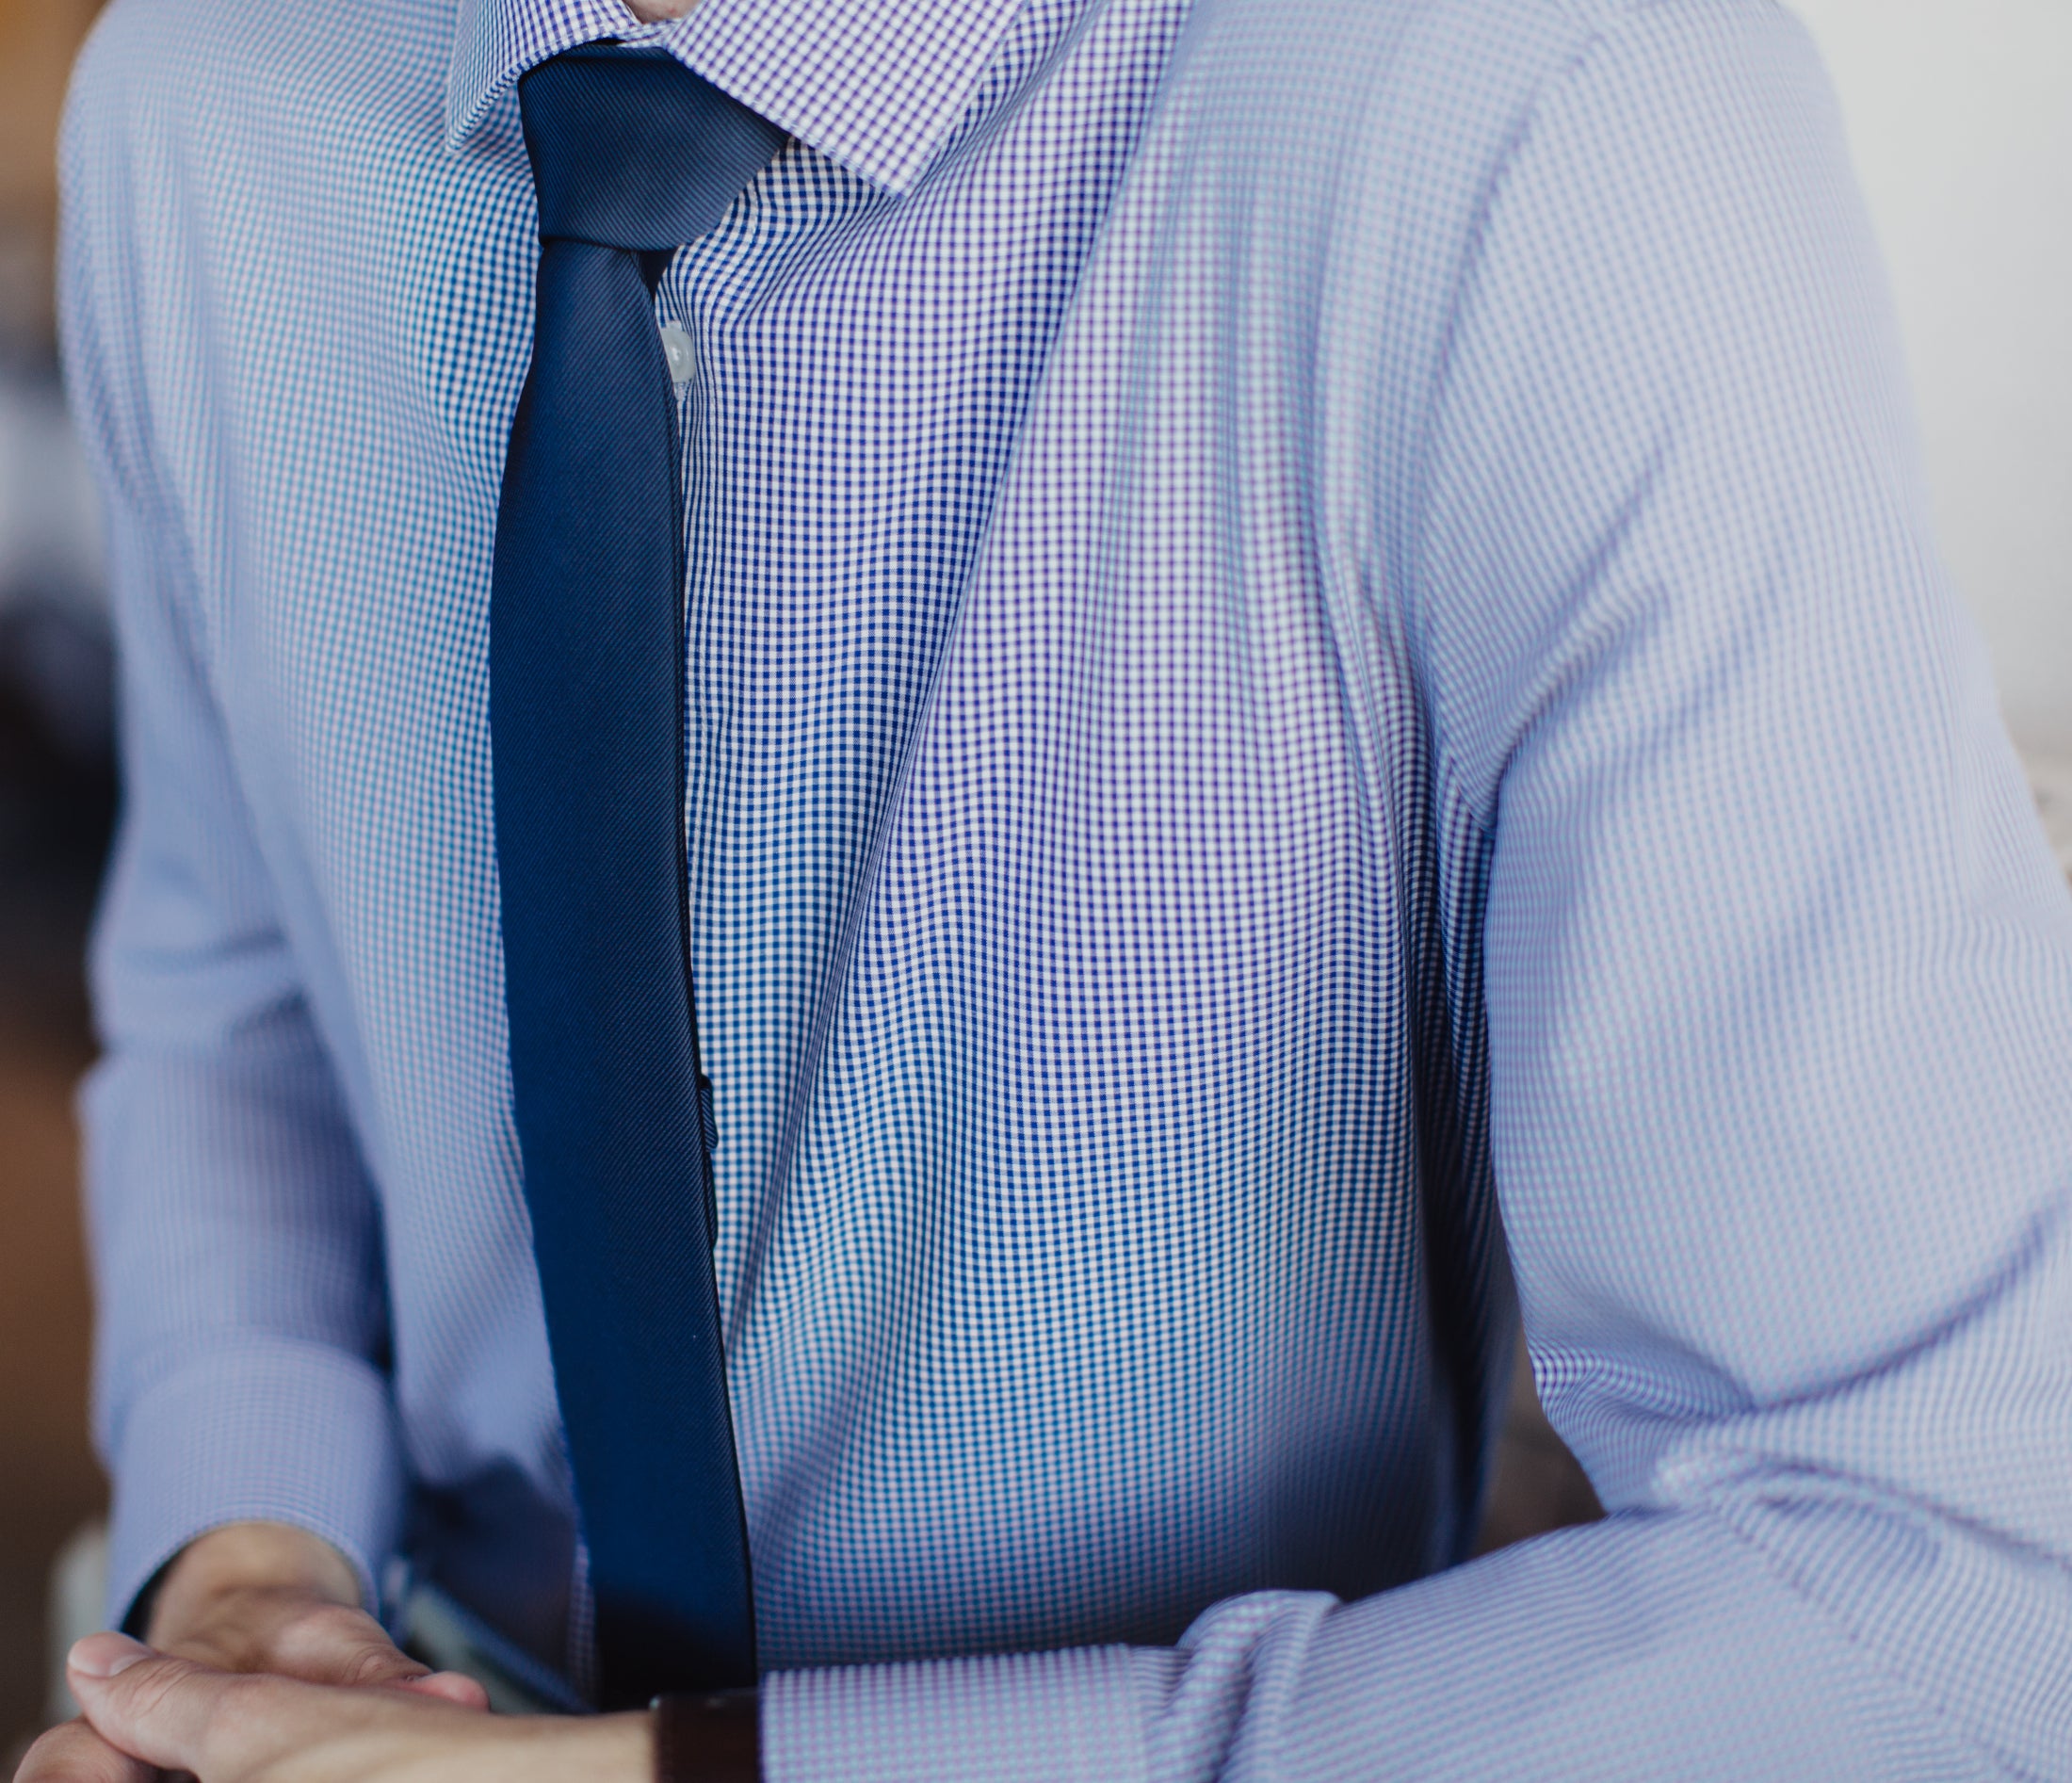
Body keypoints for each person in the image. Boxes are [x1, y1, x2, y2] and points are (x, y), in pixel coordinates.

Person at [21, 0, 2072, 1771]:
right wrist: (248, 1558)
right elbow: (245, 1000)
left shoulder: (1538, 113)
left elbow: (1936, 1592)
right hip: (417, 1685)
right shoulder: (200, 106)